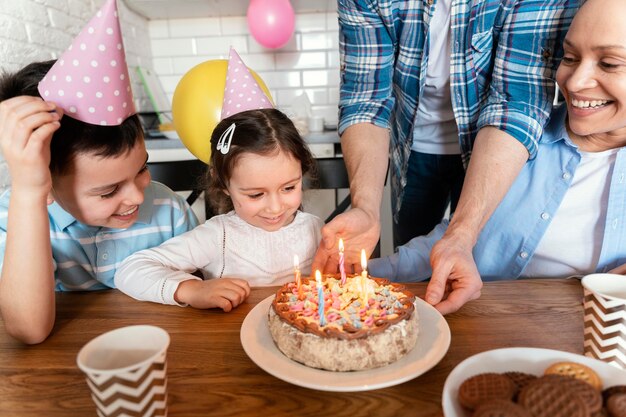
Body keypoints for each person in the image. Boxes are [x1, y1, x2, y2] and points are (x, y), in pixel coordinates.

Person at [313, 0, 580, 313]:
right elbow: (365, 97)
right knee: (414, 263)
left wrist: (463, 234)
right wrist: (367, 208)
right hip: (411, 151)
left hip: (496, 150)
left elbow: (516, 102)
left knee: (470, 262)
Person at [368, 0, 626, 284]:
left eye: (609, 63)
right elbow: (449, 241)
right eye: (569, 57)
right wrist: (361, 273)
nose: (575, 82)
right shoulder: (514, 146)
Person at [0, 61, 198, 344]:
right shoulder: (14, 217)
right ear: (47, 185)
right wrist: (30, 192)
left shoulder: (169, 211)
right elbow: (28, 330)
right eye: (108, 191)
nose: (138, 197)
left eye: (142, 168)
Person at [114, 49, 324, 311]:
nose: (275, 207)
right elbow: (130, 270)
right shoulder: (218, 237)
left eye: (289, 187)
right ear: (224, 184)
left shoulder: (315, 229)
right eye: (255, 194)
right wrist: (191, 289)